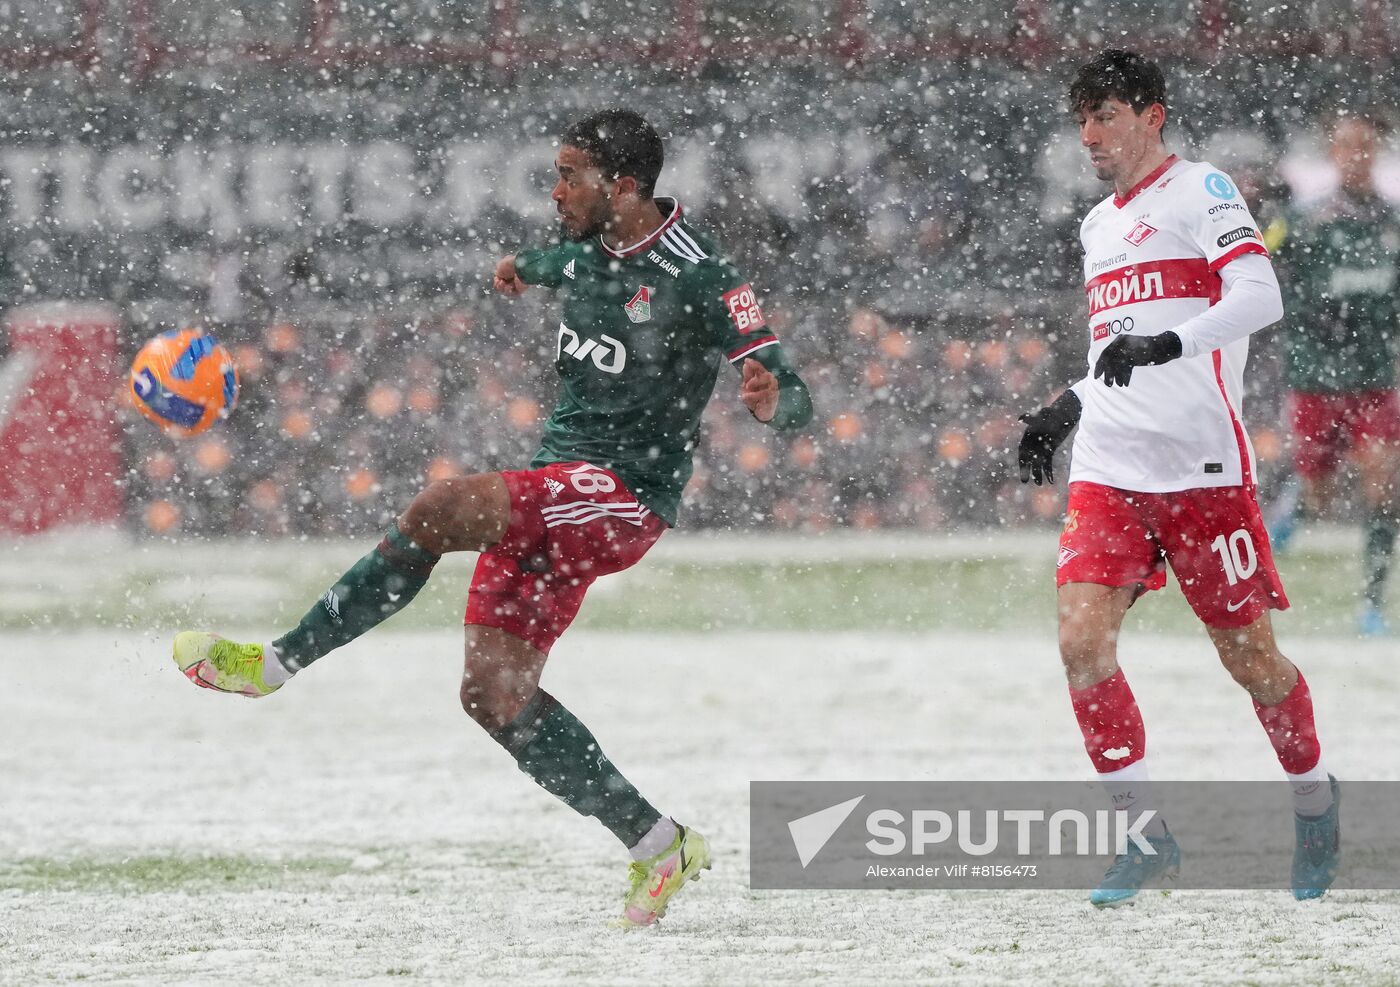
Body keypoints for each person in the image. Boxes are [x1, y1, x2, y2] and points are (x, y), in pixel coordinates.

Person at [171, 109, 813, 927]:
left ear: (622, 186)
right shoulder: (584, 252)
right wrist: (521, 267)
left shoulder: (703, 273)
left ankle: (276, 663)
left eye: (569, 174)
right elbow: (562, 262)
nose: (554, 189)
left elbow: (790, 386)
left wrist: (771, 400)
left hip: (622, 495)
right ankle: (659, 843)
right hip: (559, 491)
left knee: (440, 506)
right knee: (493, 695)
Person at [1017, 49, 1340, 906]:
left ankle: (1314, 799)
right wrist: (1070, 401)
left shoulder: (1203, 190)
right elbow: (1117, 345)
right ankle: (1143, 836)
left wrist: (1171, 342)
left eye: (1107, 114)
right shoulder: (1095, 226)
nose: (1090, 134)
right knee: (1081, 644)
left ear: (1152, 114)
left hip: (1202, 473)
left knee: (1251, 662)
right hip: (1111, 467)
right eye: (1080, 118)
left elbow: (1259, 296)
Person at [1267, 114, 1400, 636]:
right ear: (1332, 155)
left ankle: (1371, 603)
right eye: (1345, 147)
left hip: (1373, 378)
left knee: (1382, 485)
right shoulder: (1303, 219)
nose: (1356, 156)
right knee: (1321, 493)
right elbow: (1253, 259)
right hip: (1316, 377)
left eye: (1365, 146)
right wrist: (1305, 305)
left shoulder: (1392, 222)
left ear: (1377, 151)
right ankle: (1297, 503)